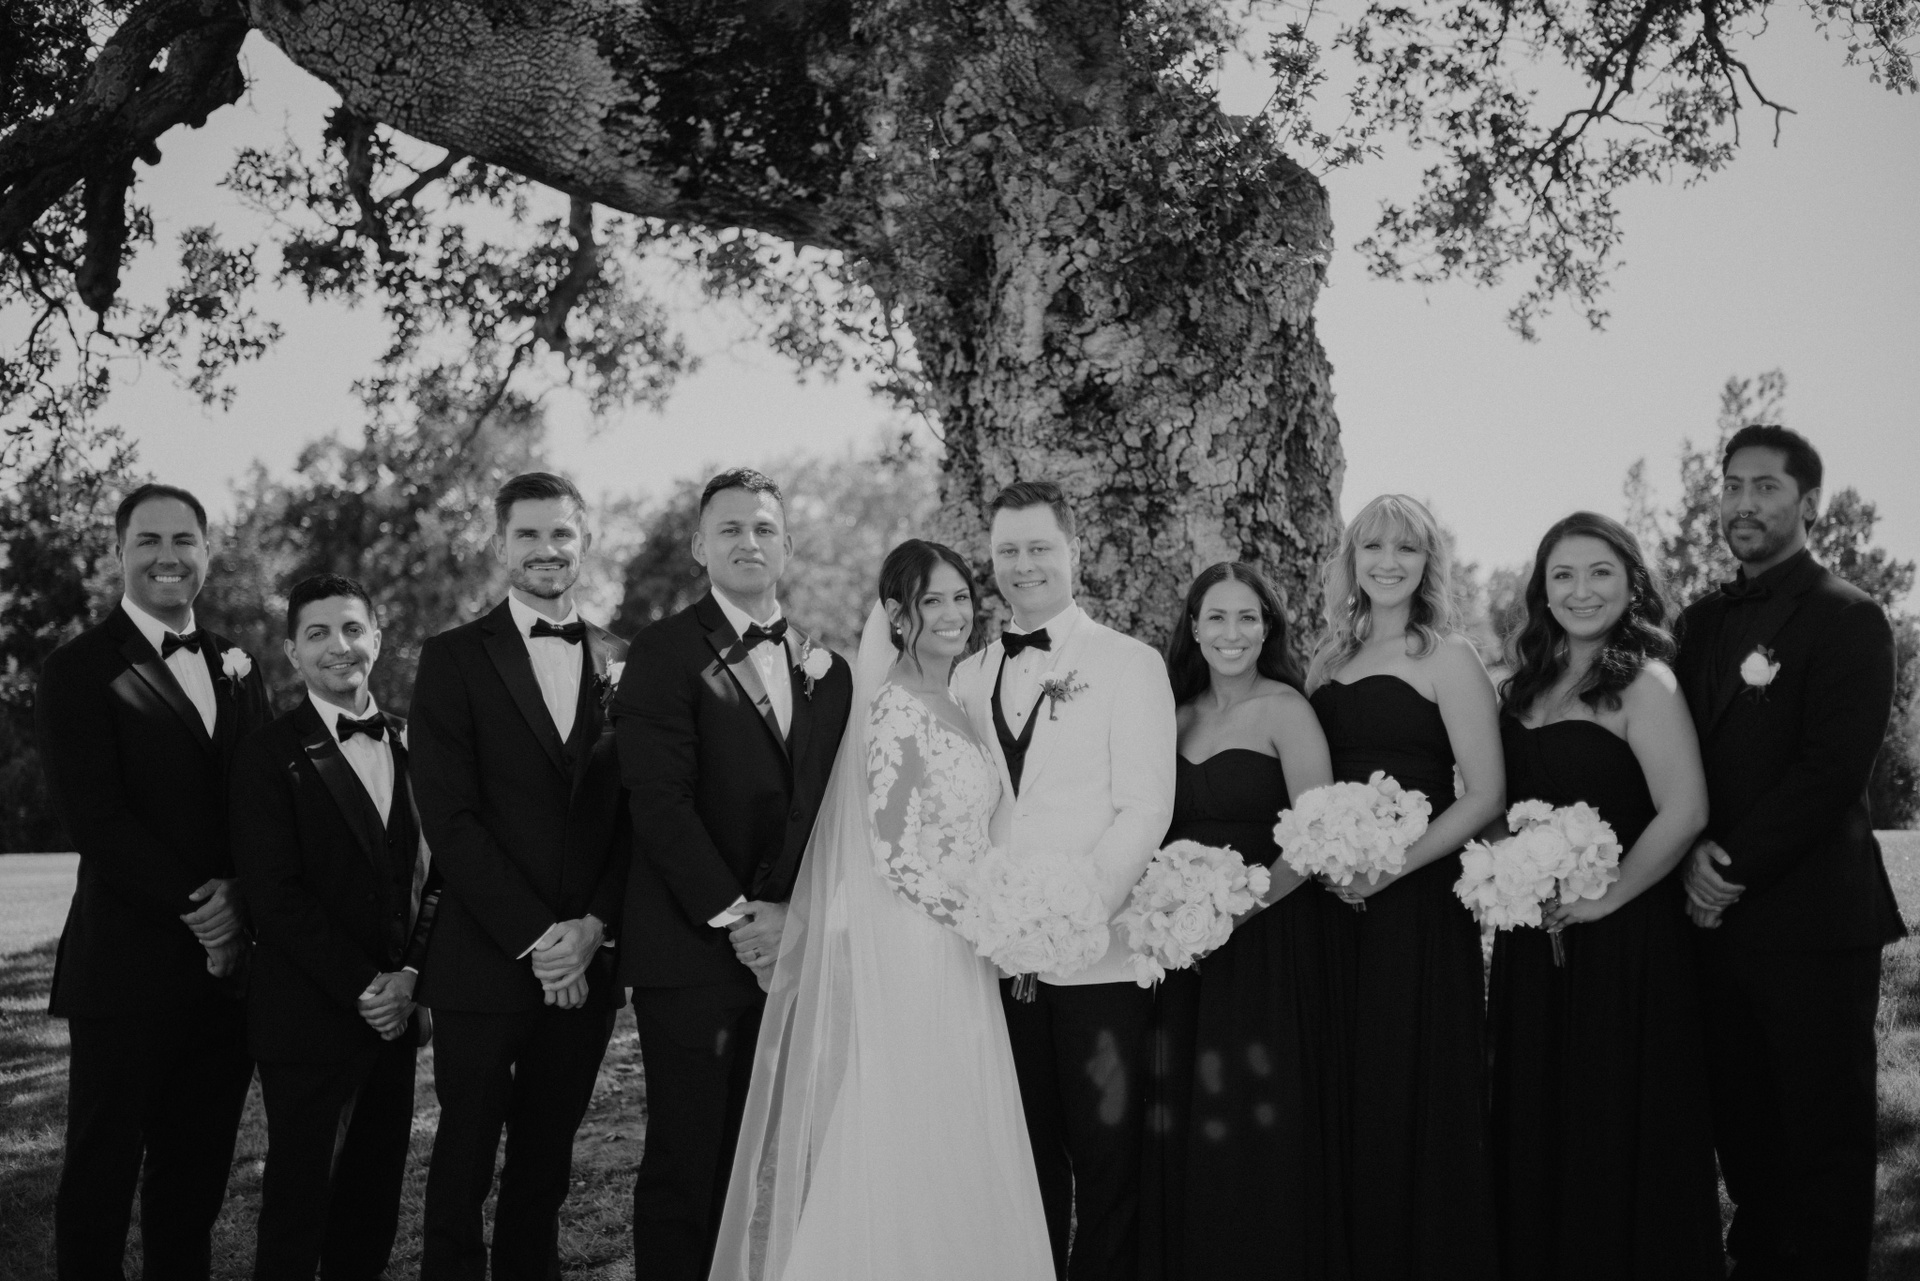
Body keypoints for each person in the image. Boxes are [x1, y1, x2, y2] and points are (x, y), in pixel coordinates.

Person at [710, 540, 1054, 1280]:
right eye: (933, 601)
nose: (953, 614)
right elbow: (894, 855)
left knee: (961, 1116)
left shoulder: (960, 698)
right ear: (898, 615)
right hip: (920, 943)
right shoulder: (895, 709)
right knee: (915, 1112)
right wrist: (985, 923)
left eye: (961, 598)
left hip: (965, 940)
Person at [1675, 425, 1906, 1278]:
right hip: (1711, 931)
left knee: (1824, 1139)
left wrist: (1722, 869)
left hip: (1814, 924)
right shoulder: (1697, 622)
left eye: (1765, 487)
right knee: (1743, 1135)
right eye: (1732, 485)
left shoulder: (1850, 616)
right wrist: (1684, 855)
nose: (1743, 503)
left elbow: (1830, 771)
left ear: (1809, 503)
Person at [613, 469, 853, 1281]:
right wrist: (741, 917)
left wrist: (794, 915)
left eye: (764, 528)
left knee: (751, 1165)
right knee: (685, 1161)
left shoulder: (828, 668)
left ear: (786, 544)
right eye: (730, 529)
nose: (749, 541)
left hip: (788, 951)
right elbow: (659, 801)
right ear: (699, 545)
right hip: (691, 950)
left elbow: (828, 810)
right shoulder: (663, 651)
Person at [35, 482, 272, 1279]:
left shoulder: (239, 667)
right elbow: (97, 819)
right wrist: (206, 906)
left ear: (206, 552)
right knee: (99, 1182)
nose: (167, 556)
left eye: (183, 540)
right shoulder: (77, 670)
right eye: (148, 540)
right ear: (119, 552)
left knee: (192, 1186)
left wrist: (244, 896)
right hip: (124, 972)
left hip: (225, 982)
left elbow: (261, 802)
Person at [1485, 513, 1722, 1279]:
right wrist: (1506, 870)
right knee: (1538, 1113)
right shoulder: (1521, 686)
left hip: (1625, 941)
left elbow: (1685, 809)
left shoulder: (1644, 683)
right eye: (1563, 574)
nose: (1580, 590)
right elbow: (1498, 805)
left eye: (1599, 573)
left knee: (1613, 1114)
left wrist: (1605, 898)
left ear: (1631, 584)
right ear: (1542, 589)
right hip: (1533, 939)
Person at [951, 480, 1178, 1281]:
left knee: (1110, 1163)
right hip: (994, 963)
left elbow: (1146, 805)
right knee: (1021, 1160)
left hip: (1101, 960)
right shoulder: (967, 675)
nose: (1024, 564)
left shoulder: (1129, 663)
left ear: (1073, 552)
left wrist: (1080, 910)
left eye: (1039, 547)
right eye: (1008, 550)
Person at [410, 471, 632, 1281]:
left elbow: (636, 814)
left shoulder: (625, 659)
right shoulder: (451, 658)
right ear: (501, 543)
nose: (547, 548)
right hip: (484, 957)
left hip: (589, 958)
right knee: (463, 1160)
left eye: (561, 532)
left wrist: (593, 927)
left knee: (546, 1162)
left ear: (584, 540)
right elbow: (450, 818)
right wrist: (541, 938)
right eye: (528, 533)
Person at [1303, 493, 1503, 1278]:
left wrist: (1391, 868)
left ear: (1428, 564)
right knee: (1342, 1084)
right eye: (1373, 546)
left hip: (1415, 904)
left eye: (1407, 549)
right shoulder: (1327, 658)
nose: (1388, 562)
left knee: (1408, 1081)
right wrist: (1329, 862)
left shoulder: (1449, 657)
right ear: (1351, 559)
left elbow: (1484, 792)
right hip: (1332, 904)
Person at [230, 574, 439, 1281]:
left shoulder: (416, 743)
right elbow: (274, 896)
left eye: (352, 629)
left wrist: (410, 976)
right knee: (298, 1206)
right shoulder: (266, 755)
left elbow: (439, 876)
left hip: (397, 1017)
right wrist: (366, 986)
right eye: (317, 633)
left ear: (376, 637)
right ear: (293, 651)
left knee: (372, 1207)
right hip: (307, 1018)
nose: (338, 646)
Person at [1141, 562, 1345, 1281]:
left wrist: (1236, 910)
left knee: (1260, 1115)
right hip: (1183, 954)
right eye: (1217, 617)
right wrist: (1174, 916)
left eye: (1248, 617)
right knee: (1188, 1113)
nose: (1232, 633)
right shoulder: (1174, 715)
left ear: (1267, 629)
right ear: (1194, 629)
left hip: (1269, 942)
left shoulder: (1288, 710)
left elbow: (1315, 840)